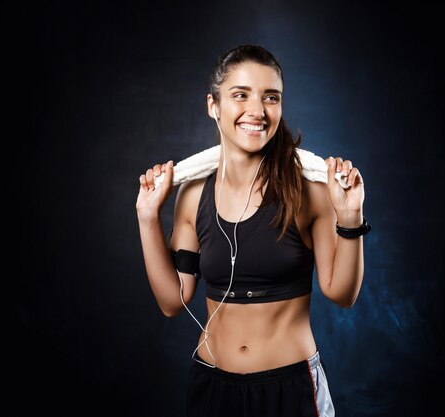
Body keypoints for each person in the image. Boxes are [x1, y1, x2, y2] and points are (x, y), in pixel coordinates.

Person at [135, 44, 369, 417]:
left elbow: (341, 294)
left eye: (270, 97)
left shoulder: (311, 191)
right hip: (213, 385)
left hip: (289, 388)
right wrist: (148, 218)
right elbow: (172, 303)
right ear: (213, 106)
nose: (257, 111)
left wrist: (351, 217)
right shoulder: (193, 195)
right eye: (240, 95)